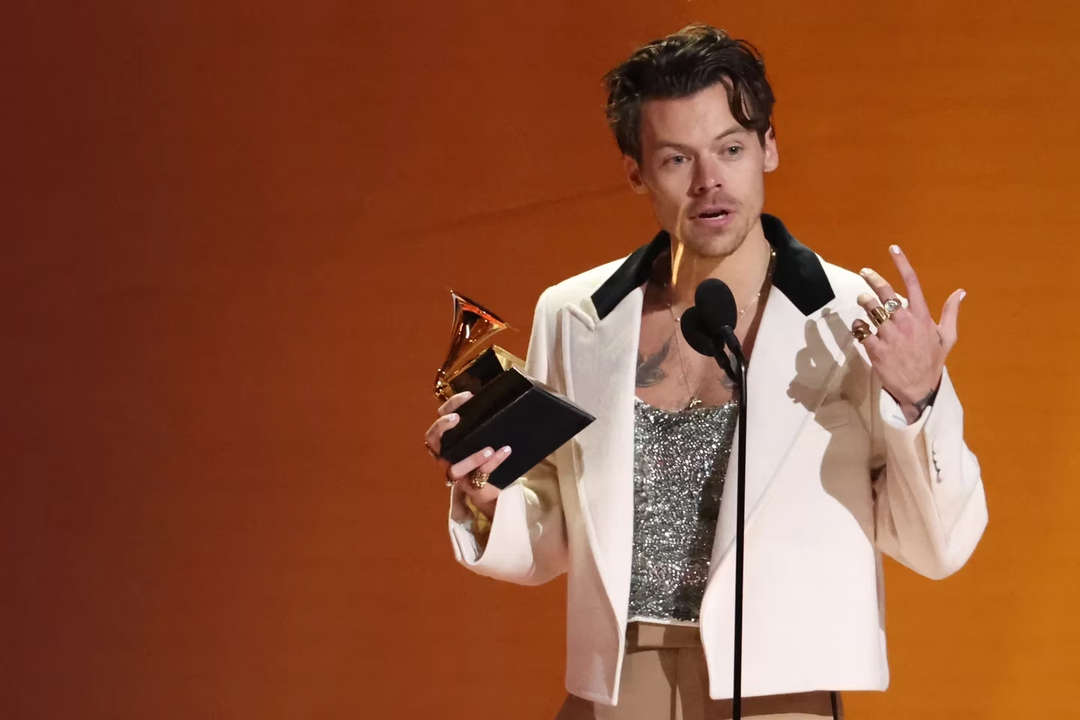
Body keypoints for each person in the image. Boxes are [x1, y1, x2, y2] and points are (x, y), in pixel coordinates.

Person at [423, 24, 987, 720]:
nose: (708, 181)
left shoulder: (853, 320)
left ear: (768, 147)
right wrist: (487, 495)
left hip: (779, 693)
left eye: (731, 148)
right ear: (636, 171)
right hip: (617, 688)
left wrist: (922, 397)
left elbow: (939, 548)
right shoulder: (575, 316)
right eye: (675, 159)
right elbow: (554, 528)